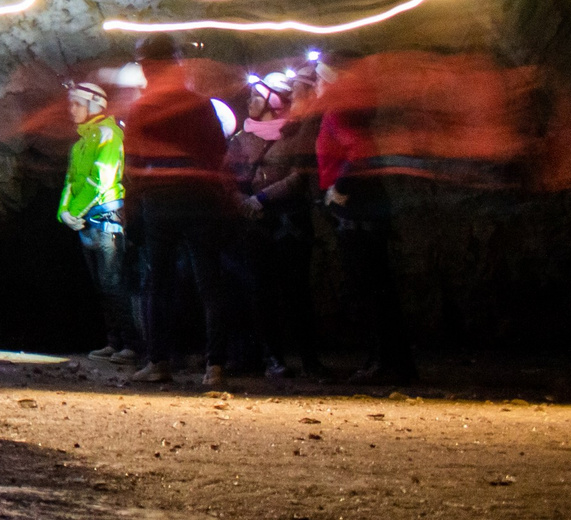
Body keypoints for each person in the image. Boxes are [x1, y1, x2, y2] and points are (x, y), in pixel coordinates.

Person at [120, 34, 235, 388]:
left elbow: (133, 164)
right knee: (210, 283)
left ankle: (158, 362)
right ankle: (215, 367)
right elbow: (218, 150)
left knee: (160, 283)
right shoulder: (200, 105)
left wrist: (131, 206)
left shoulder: (141, 109)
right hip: (201, 197)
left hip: (160, 200)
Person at [317, 52, 416, 385]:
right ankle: (394, 360)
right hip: (370, 208)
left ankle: (383, 361)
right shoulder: (357, 107)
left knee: (368, 289)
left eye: (321, 76)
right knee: (379, 288)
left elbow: (357, 152)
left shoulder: (338, 111)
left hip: (355, 212)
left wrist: (338, 189)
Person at [247, 63, 329, 380]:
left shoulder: (297, 134)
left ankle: (309, 359)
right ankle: (273, 359)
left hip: (288, 221)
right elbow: (231, 173)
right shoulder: (246, 137)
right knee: (262, 292)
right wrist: (242, 199)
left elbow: (298, 177)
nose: (251, 102)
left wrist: (261, 198)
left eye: (258, 96)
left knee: (296, 293)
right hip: (257, 223)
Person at [56, 81, 138, 361]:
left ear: (94, 105)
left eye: (76, 104)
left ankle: (131, 344)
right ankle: (114, 342)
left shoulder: (108, 134)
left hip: (106, 218)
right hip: (85, 220)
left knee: (113, 282)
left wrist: (73, 211)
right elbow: (70, 180)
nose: (71, 109)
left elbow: (101, 179)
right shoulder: (81, 141)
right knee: (101, 284)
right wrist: (64, 213)